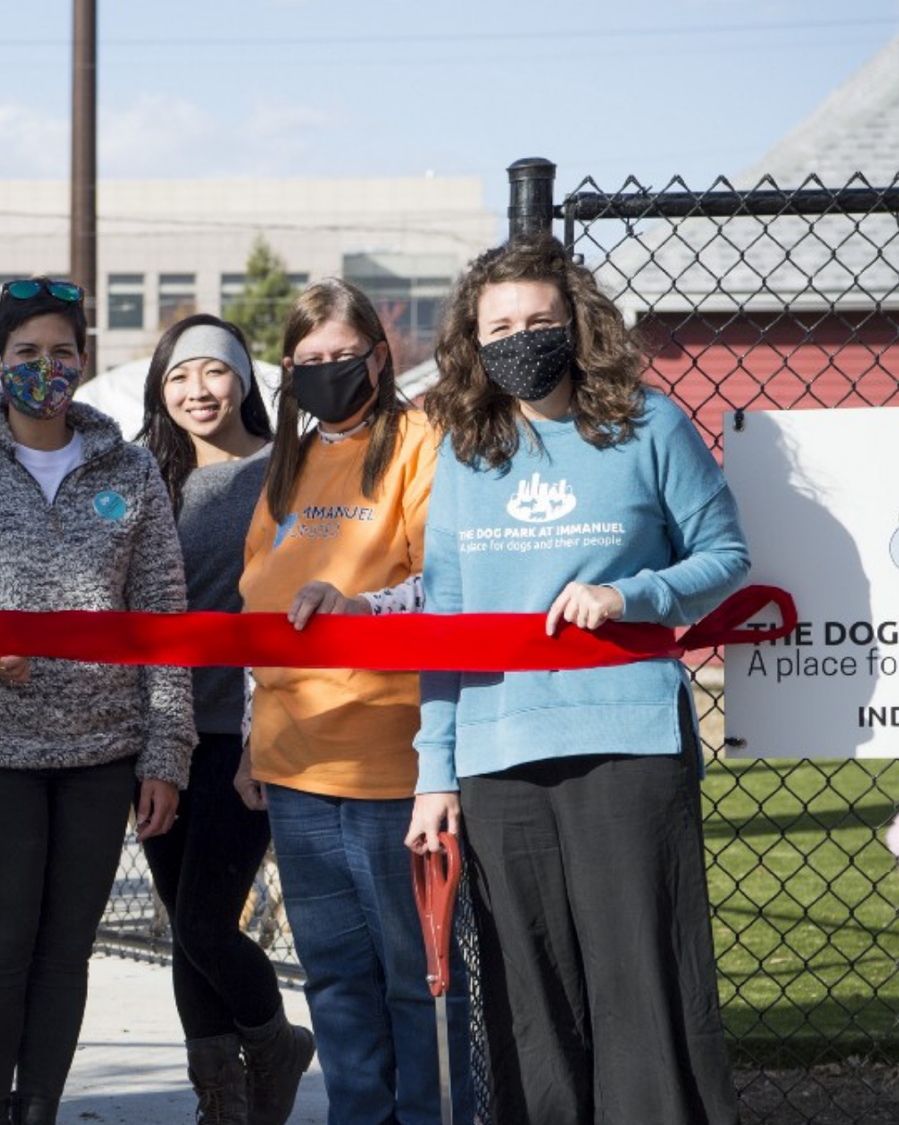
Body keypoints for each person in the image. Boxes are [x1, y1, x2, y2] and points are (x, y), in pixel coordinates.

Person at [406, 235, 748, 1125]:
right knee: (527, 999)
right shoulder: (464, 450)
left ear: (578, 325)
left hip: (626, 741)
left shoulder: (650, 424)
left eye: (540, 321)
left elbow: (726, 557)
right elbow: (444, 620)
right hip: (497, 750)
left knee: (643, 986)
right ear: (473, 342)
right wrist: (433, 771)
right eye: (500, 326)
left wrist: (631, 593)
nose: (521, 338)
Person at [0, 277, 193, 1125]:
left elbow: (163, 615)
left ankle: (40, 1110)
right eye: (25, 353)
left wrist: (166, 753)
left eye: (61, 351)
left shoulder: (129, 468)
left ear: (84, 360)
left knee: (66, 950)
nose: (45, 367)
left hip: (103, 750)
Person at [235, 278, 466, 1125]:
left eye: (343, 355)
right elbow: (258, 598)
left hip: (390, 760)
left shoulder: (420, 440)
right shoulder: (289, 461)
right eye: (309, 362)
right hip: (295, 762)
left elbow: (445, 581)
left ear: (380, 353)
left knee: (416, 977)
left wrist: (363, 606)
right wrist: (250, 745)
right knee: (331, 978)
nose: (328, 372)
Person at [134, 313, 313, 1125]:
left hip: (249, 733)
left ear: (244, 379)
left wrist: (263, 736)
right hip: (163, 733)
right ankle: (223, 1100)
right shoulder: (144, 479)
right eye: (177, 377)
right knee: (184, 923)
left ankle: (275, 1042)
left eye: (212, 371)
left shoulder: (287, 474)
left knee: (208, 919)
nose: (196, 391)